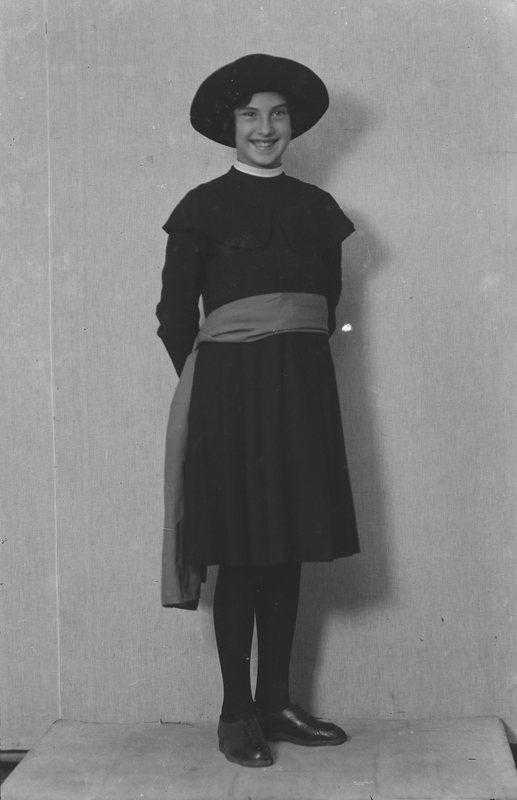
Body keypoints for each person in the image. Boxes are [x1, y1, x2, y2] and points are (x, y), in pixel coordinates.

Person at [156, 54, 360, 768]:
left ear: (292, 124)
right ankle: (235, 713)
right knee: (242, 553)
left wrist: (289, 378)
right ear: (231, 125)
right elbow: (174, 319)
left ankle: (276, 701)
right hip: (229, 404)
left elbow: (326, 310)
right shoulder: (201, 208)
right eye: (250, 115)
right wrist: (218, 395)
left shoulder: (317, 209)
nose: (265, 128)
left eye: (277, 114)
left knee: (288, 548)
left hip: (301, 397)